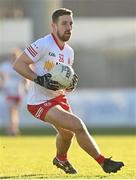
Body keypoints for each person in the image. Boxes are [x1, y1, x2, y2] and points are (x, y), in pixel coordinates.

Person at [13, 8, 124, 174]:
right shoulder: (43, 44)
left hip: (58, 98)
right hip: (39, 102)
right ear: (53, 26)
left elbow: (63, 81)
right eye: (64, 23)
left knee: (67, 134)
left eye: (71, 23)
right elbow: (18, 64)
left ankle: (61, 159)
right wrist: (38, 78)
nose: (69, 27)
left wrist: (70, 84)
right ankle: (104, 162)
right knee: (77, 125)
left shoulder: (69, 52)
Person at [0, 48, 26, 135]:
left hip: (19, 91)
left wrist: (25, 85)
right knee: (11, 110)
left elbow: (25, 78)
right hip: (9, 91)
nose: (14, 57)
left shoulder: (21, 66)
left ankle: (13, 128)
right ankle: (13, 128)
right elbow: (2, 76)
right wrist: (2, 84)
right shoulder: (6, 66)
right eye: (13, 56)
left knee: (15, 111)